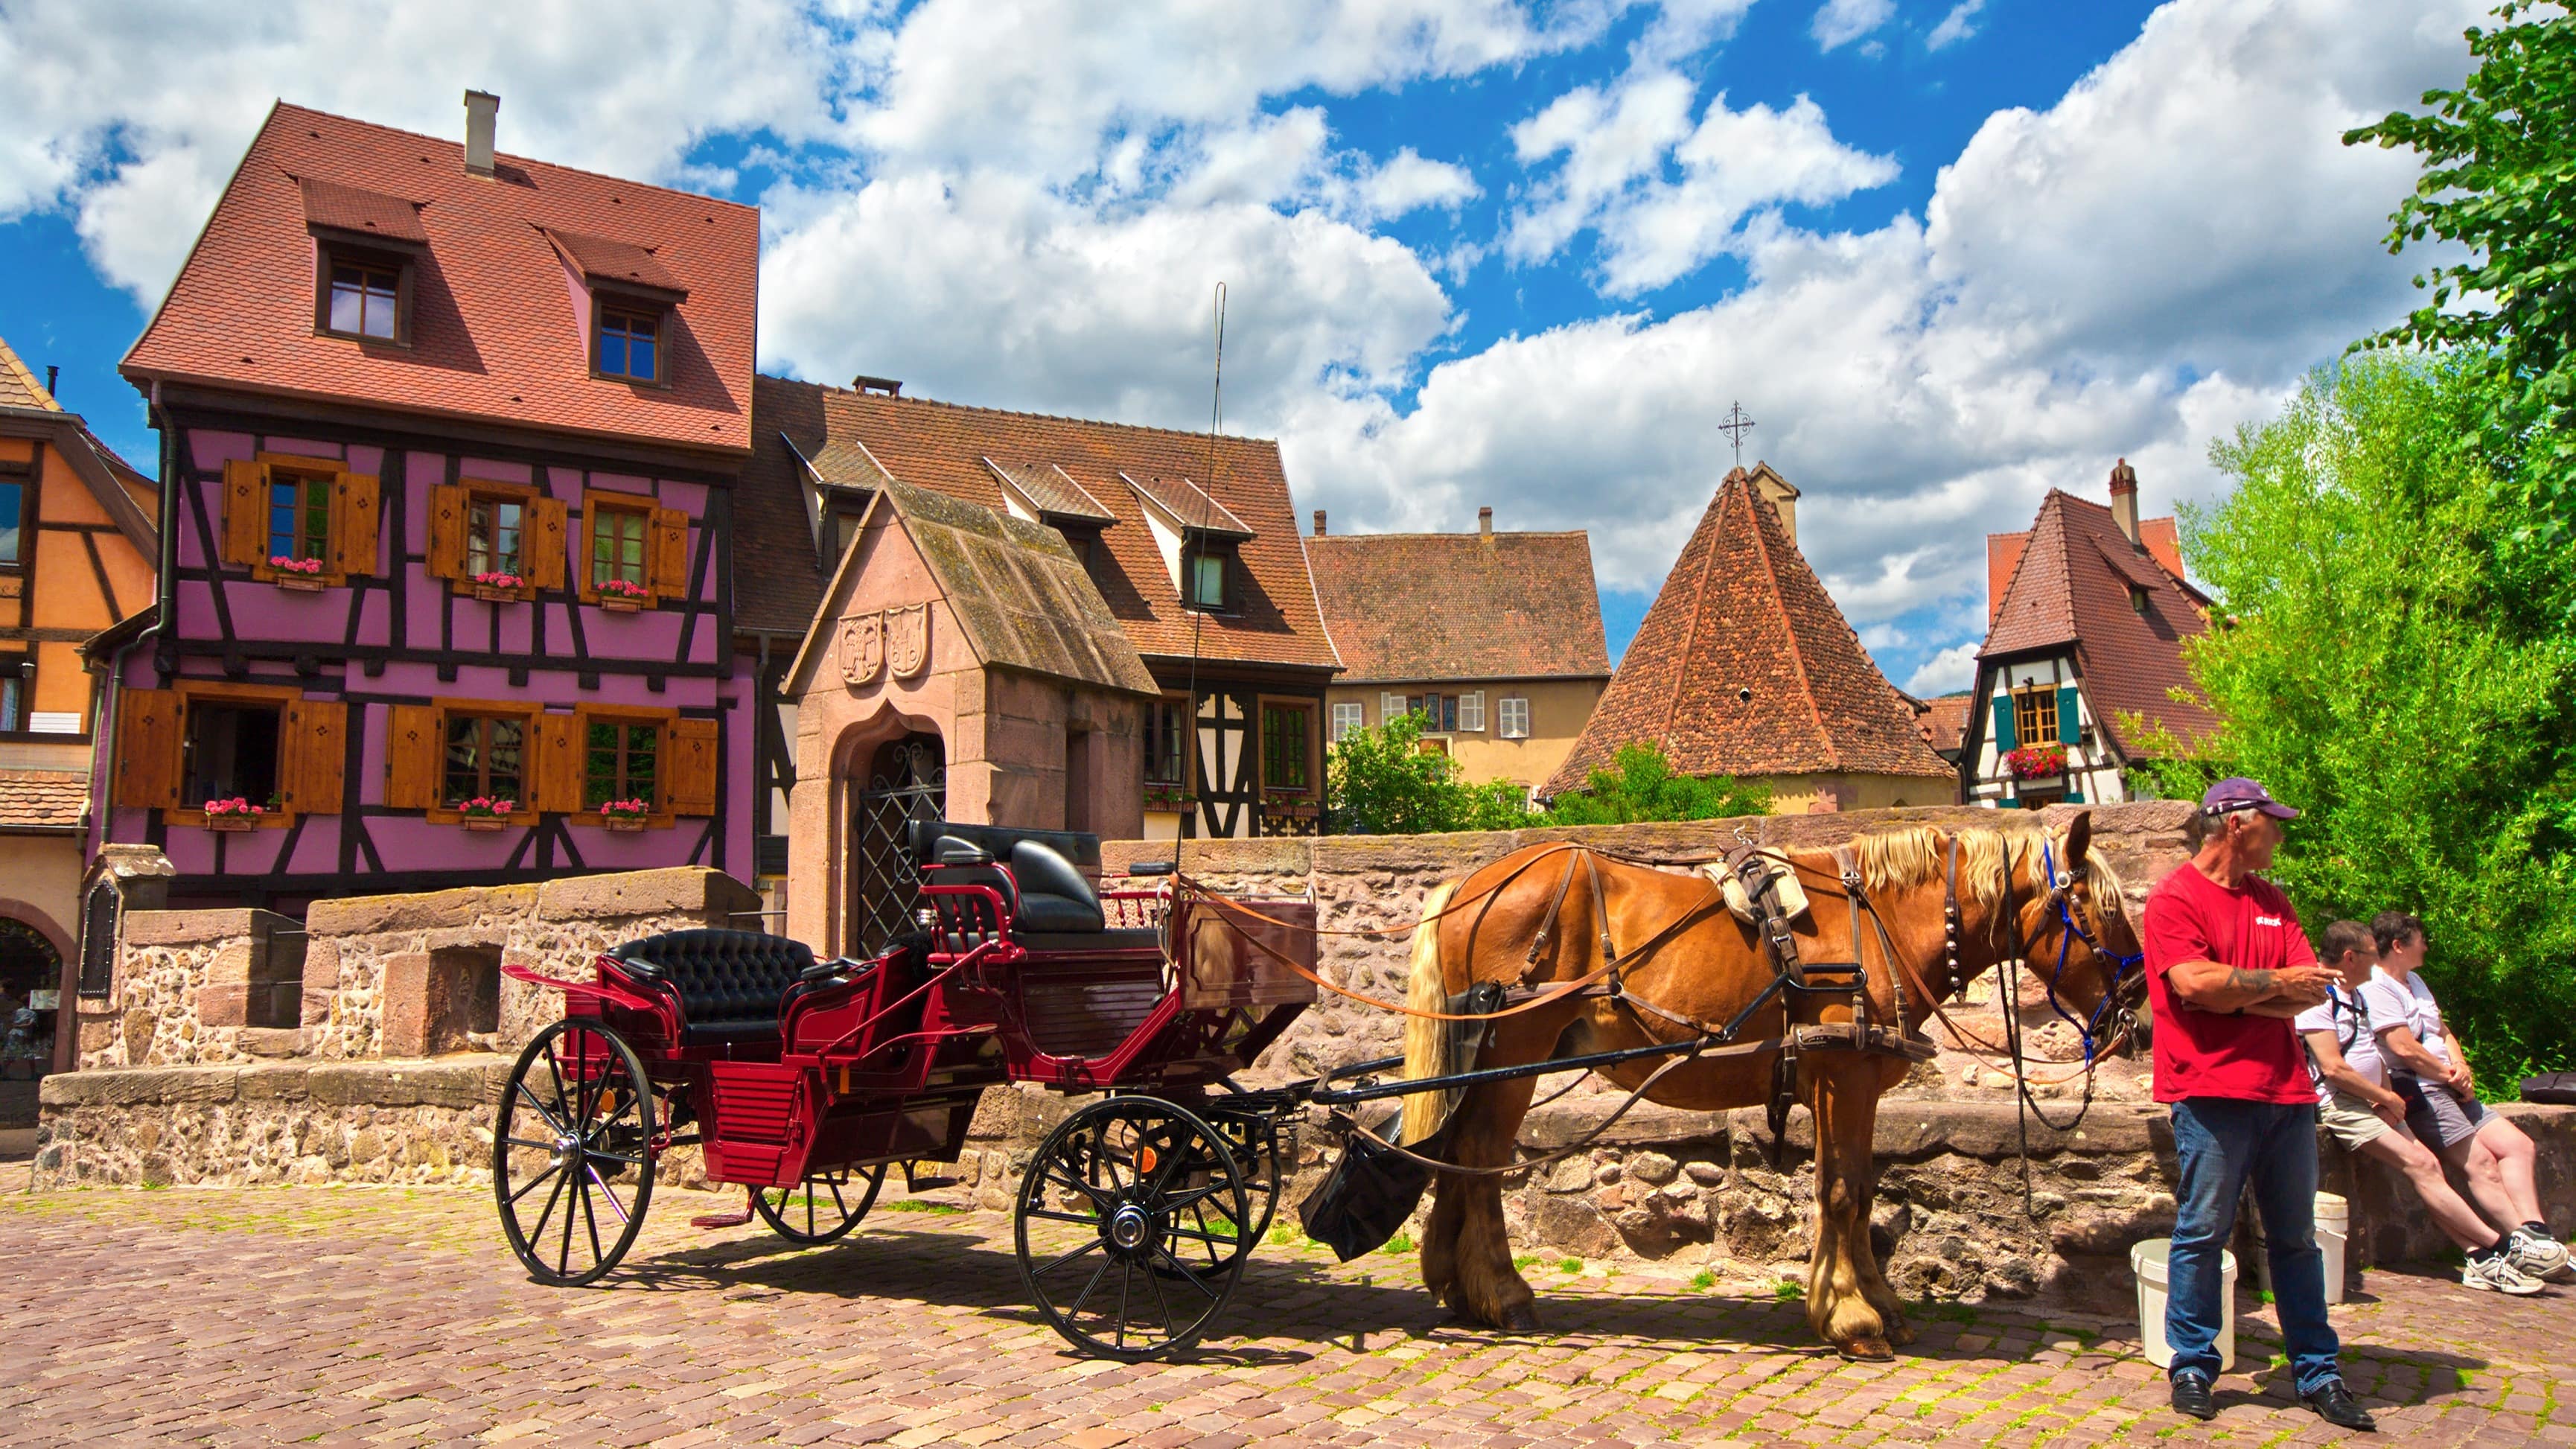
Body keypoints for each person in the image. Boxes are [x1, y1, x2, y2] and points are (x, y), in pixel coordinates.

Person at [2141, 778, 2373, 1431]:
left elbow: (2310, 994)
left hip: (2287, 1093)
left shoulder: (2274, 901)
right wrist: (2268, 987)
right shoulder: (2175, 899)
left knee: (2296, 1240)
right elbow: (2192, 983)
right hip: (2211, 1092)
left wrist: (2235, 998)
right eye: (2274, 822)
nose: (2282, 833)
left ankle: (2318, 1372)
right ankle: (2192, 1364)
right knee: (2202, 1233)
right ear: (2237, 824)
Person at [2295, 920, 2545, 1294]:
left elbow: (2371, 1056)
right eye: (2370, 956)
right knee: (2424, 1165)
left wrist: (2387, 1095)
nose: (2376, 963)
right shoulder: (2319, 997)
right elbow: (2333, 1067)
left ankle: (2478, 1256)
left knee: (2428, 1168)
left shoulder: (2357, 994)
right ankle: (2503, 1247)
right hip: (2341, 1104)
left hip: (2376, 1098)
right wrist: (2386, 1098)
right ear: (2350, 958)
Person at [2361, 911, 2571, 1283]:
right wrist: (2448, 1076)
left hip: (2450, 1085)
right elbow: (2402, 1048)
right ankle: (2529, 1251)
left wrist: (2460, 1065)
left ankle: (2536, 1236)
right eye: (2420, 938)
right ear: (2398, 945)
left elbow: (2441, 1030)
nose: (2425, 945)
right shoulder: (2376, 986)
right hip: (2422, 1090)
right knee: (2483, 1165)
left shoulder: (2415, 981)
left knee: (2518, 1146)